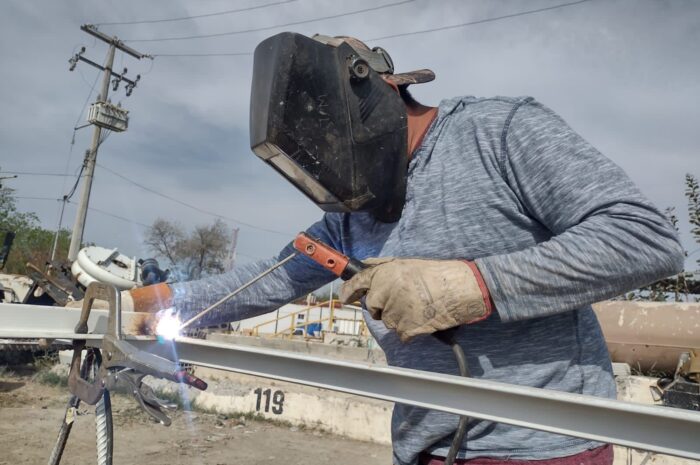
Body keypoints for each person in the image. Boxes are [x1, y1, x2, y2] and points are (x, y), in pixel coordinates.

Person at [120, 33, 684, 465]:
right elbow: (273, 279)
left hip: (542, 449)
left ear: (372, 96)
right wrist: (167, 301)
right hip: (422, 446)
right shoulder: (353, 207)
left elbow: (643, 238)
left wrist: (472, 286)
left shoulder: (500, 131)